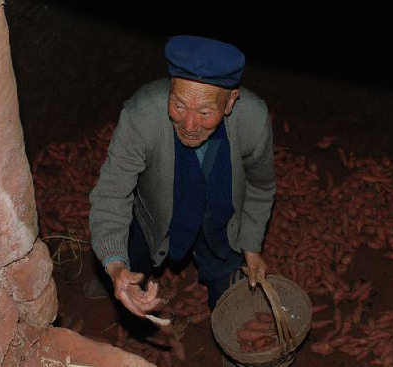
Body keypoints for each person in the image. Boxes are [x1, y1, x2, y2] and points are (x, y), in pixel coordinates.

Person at [88, 35, 275, 364]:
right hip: (153, 213)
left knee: (231, 287)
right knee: (132, 260)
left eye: (205, 112)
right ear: (169, 89)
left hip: (221, 215)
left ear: (230, 102)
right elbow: (112, 193)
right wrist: (115, 266)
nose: (189, 125)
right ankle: (117, 278)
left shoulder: (254, 119)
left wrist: (251, 244)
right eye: (178, 106)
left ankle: (235, 348)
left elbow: (261, 186)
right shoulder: (141, 114)